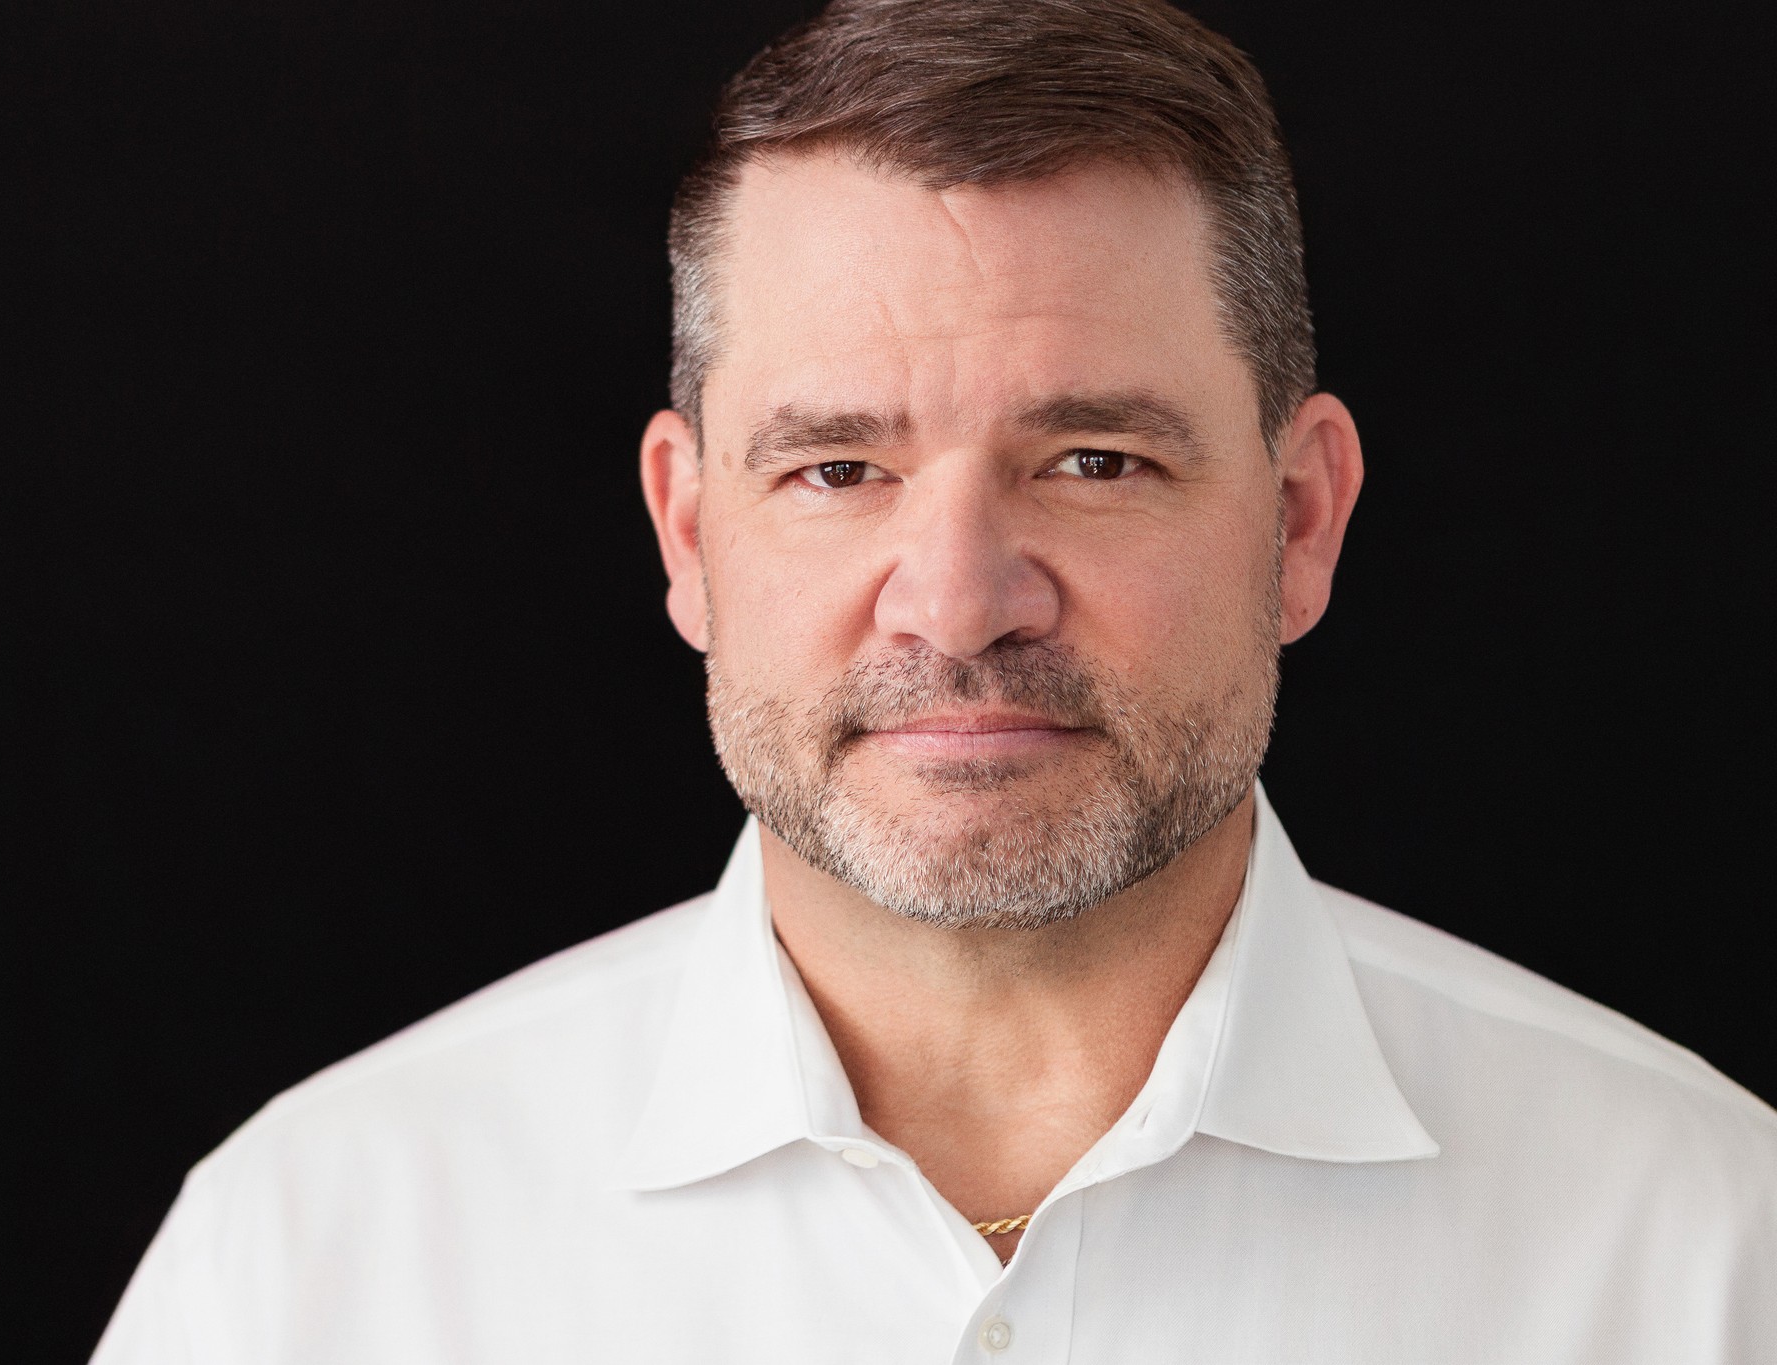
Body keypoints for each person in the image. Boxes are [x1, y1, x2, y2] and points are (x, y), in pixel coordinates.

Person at [91, 1, 1776, 1360]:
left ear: (1300, 521)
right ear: (689, 532)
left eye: (1095, 459)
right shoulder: (310, 1264)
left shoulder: (1708, 1252)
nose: (961, 600)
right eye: (837, 470)